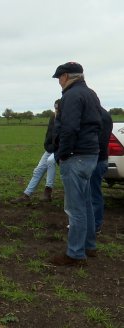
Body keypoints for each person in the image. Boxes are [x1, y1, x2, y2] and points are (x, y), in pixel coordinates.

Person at [49, 62, 102, 266]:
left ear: (67, 76)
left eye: (59, 78)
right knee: (86, 203)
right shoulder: (91, 94)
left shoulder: (71, 96)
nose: (59, 82)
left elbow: (69, 128)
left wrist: (63, 153)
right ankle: (89, 245)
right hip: (90, 155)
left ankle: (75, 254)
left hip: (75, 156)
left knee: (75, 208)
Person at [11, 100, 60, 203]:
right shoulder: (53, 117)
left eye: (58, 108)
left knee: (51, 162)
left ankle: (48, 190)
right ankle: (27, 195)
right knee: (38, 170)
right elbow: (49, 133)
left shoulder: (67, 119)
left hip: (61, 149)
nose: (56, 110)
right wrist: (47, 145)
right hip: (50, 148)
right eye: (55, 108)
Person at [90, 107, 113, 234]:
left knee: (94, 193)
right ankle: (92, 223)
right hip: (100, 159)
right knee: (92, 192)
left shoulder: (100, 115)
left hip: (97, 160)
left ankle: (96, 225)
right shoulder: (103, 114)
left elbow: (99, 140)